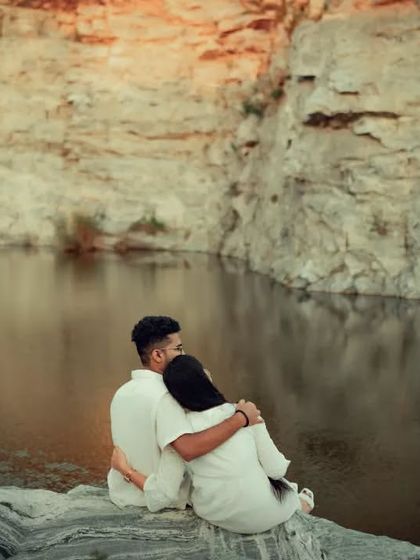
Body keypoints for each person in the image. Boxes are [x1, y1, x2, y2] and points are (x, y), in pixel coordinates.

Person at [111, 354, 315, 534]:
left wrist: (125, 470)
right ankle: (301, 504)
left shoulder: (180, 435)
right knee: (287, 489)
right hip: (266, 514)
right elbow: (276, 469)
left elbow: (163, 495)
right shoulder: (243, 413)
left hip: (218, 514)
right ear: (204, 381)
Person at [108, 316, 262, 510]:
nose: (184, 354)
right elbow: (188, 449)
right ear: (157, 355)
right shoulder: (166, 397)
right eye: (178, 349)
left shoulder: (122, 391)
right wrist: (241, 418)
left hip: (121, 494)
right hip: (156, 499)